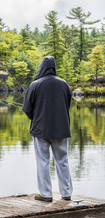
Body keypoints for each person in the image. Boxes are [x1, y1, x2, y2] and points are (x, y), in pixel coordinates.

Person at [23, 56, 73, 202]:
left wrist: (35, 118)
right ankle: (66, 193)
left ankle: (46, 194)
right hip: (61, 129)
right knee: (62, 160)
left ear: (41, 67)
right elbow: (67, 104)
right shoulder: (64, 84)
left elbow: (26, 108)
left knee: (42, 161)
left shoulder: (35, 85)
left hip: (40, 130)